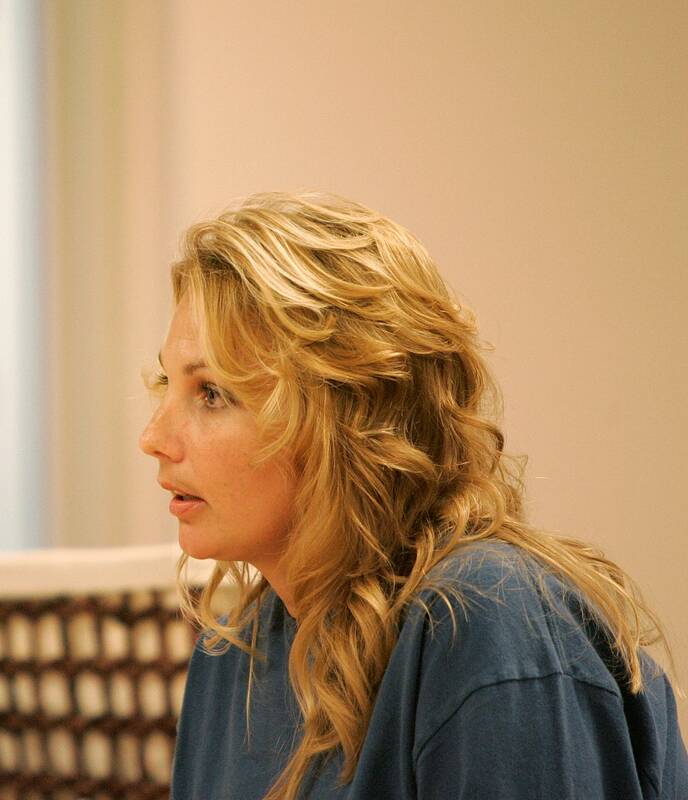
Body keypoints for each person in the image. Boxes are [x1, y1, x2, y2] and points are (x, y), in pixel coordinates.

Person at [139, 192, 687, 799]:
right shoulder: (231, 659)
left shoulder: (489, 620)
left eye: (212, 393)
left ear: (344, 417)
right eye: (168, 382)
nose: (154, 438)